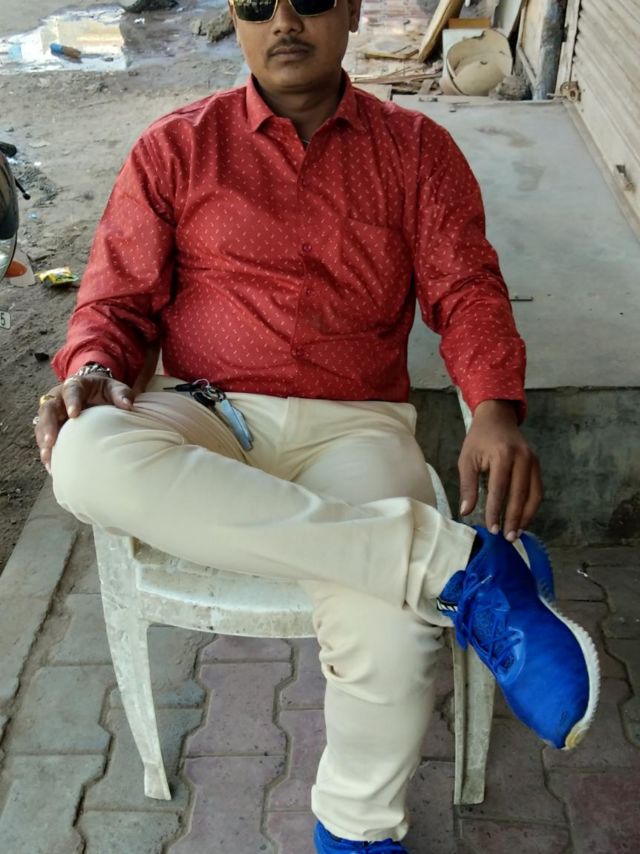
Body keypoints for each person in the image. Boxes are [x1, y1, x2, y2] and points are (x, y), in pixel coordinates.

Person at [33, 1, 599, 850]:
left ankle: (357, 833)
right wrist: (92, 368)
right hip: (207, 410)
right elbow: (115, 302)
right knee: (82, 455)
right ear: (235, 17)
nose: (284, 21)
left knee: (390, 630)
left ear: (354, 10)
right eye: (257, 4)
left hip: (355, 427)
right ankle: (454, 565)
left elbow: (466, 289)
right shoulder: (177, 148)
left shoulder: (416, 151)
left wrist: (492, 407)